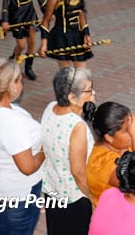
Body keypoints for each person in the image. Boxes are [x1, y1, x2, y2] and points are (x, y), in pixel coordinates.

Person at [0, 58, 45, 234]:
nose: (22, 83)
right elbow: (27, 167)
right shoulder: (10, 123)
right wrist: (45, 151)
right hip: (16, 195)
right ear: (11, 86)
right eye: (19, 80)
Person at [41, 67, 96, 234]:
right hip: (74, 198)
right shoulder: (76, 126)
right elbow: (78, 172)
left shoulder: (50, 108)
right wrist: (93, 198)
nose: (94, 93)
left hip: (52, 191)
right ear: (72, 97)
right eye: (89, 90)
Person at [86, 101, 135, 206]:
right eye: (127, 130)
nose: (132, 132)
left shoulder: (123, 146)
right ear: (109, 137)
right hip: (113, 218)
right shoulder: (100, 163)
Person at [1, 0, 45, 81]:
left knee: (32, 42)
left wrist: (47, 13)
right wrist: (5, 19)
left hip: (29, 12)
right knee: (21, 44)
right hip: (16, 14)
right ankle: (13, 58)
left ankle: (28, 67)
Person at [39, 0, 93, 69]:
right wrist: (44, 44)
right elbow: (46, 22)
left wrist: (86, 35)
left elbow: (81, 14)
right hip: (61, 38)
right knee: (66, 75)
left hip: (77, 35)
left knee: (82, 74)